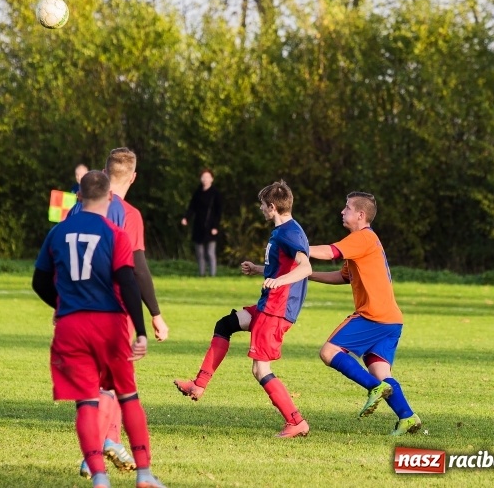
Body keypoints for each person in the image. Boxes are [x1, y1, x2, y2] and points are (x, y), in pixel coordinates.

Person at [32, 170, 165, 488]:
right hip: (109, 325)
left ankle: (99, 476)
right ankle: (144, 474)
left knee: (86, 402)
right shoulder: (115, 234)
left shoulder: (58, 232)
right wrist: (141, 330)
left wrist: (62, 305)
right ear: (109, 197)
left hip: (71, 326)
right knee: (128, 397)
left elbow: (39, 281)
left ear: (78, 196)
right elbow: (128, 283)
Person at [173, 180, 313, 438]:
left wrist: (278, 281)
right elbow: (284, 266)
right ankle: (198, 385)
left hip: (276, 310)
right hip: (267, 305)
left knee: (260, 370)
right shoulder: (283, 231)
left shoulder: (290, 233)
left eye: (262, 205)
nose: (260, 208)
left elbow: (305, 267)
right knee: (225, 324)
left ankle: (296, 421)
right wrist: (259, 270)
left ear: (272, 207)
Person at [67, 148, 169, 478]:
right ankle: (96, 450)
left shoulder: (77, 207)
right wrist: (155, 314)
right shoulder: (128, 213)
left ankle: (110, 440)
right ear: (134, 177)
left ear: (104, 171)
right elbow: (137, 268)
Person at [306, 191, 421, 436]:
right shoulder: (363, 242)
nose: (342, 211)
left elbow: (329, 252)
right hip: (391, 320)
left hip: (373, 315)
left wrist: (297, 246)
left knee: (329, 352)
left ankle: (373, 387)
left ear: (360, 215)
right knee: (381, 372)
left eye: (347, 207)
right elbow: (342, 276)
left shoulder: (363, 237)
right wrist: (307, 274)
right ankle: (408, 417)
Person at [181, 169, 223, 276]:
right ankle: (202, 274)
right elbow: (192, 207)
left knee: (210, 252)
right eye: (203, 177)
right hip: (198, 225)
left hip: (211, 226)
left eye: (207, 177)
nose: (205, 179)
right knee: (200, 253)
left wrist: (215, 226)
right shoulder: (197, 192)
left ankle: (212, 275)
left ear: (212, 179)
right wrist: (186, 218)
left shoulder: (215, 193)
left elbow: (218, 212)